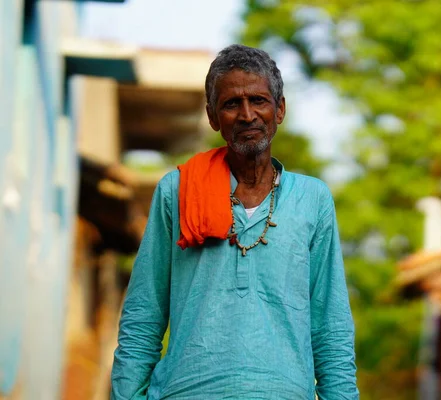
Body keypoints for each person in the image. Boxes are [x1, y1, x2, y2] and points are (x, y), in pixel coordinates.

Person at [110, 44, 359, 399]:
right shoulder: (179, 190)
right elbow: (143, 316)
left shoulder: (313, 200)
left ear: (280, 109)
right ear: (213, 117)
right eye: (231, 104)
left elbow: (331, 327)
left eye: (258, 100)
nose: (247, 115)